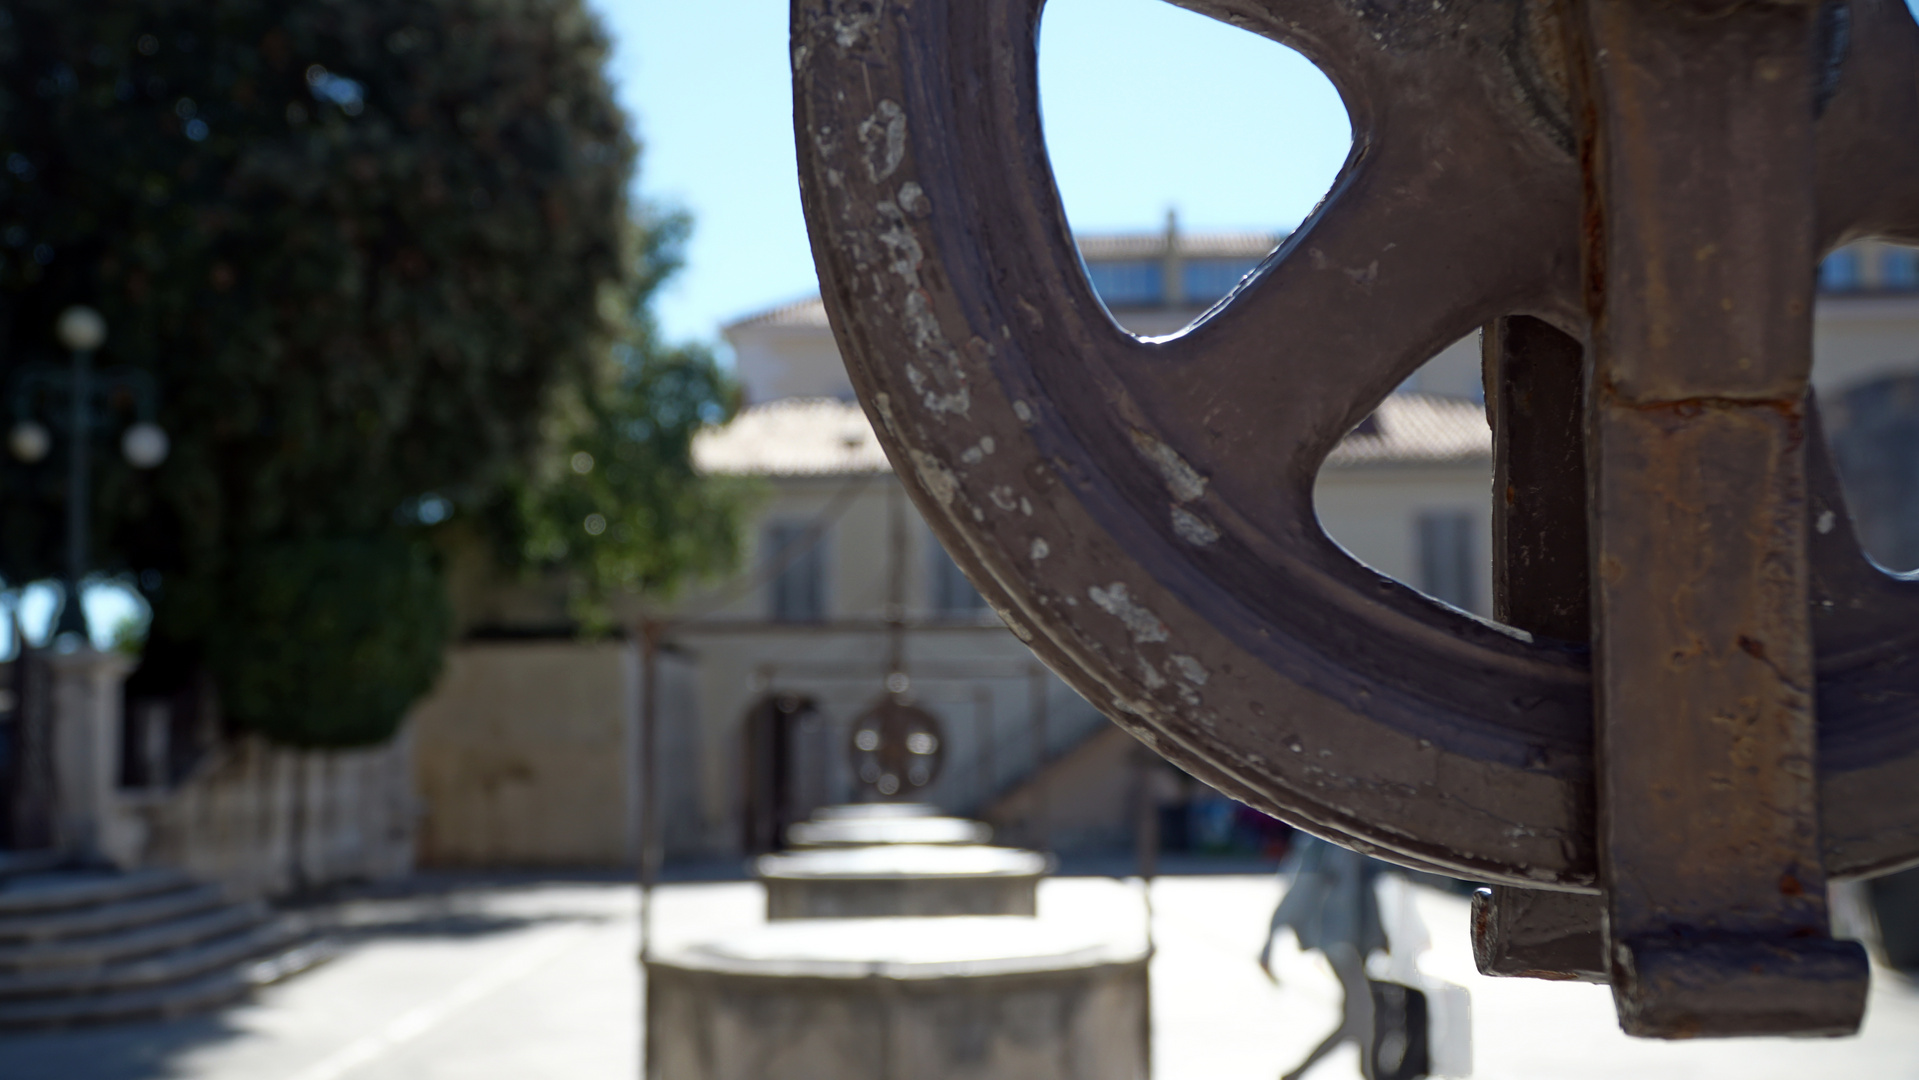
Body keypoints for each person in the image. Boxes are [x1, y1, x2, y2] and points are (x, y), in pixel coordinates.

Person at [1259, 834, 1392, 1080]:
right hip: (1335, 938)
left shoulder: (1361, 835)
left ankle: (1361, 1070)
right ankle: (1361, 1072)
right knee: (1362, 1011)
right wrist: (1270, 939)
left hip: (1355, 937)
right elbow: (1301, 883)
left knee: (1358, 1015)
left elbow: (1369, 890)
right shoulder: (1321, 839)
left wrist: (1380, 935)